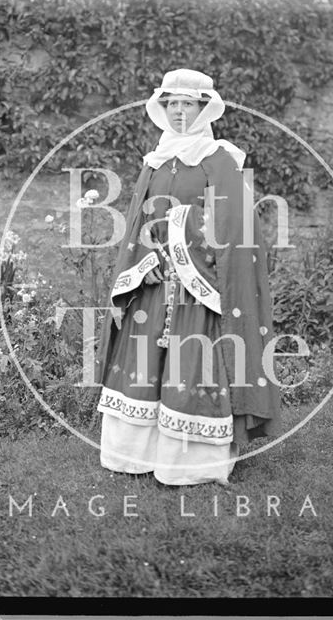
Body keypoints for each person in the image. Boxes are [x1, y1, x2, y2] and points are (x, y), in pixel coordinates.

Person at [94, 68, 281, 486]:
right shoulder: (156, 160)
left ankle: (192, 463)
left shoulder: (219, 159)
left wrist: (182, 233)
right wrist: (147, 258)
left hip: (201, 287)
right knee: (144, 364)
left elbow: (235, 226)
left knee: (193, 364)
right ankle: (135, 455)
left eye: (187, 105)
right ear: (163, 109)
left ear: (203, 108)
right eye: (172, 104)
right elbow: (139, 218)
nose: (179, 112)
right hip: (155, 283)